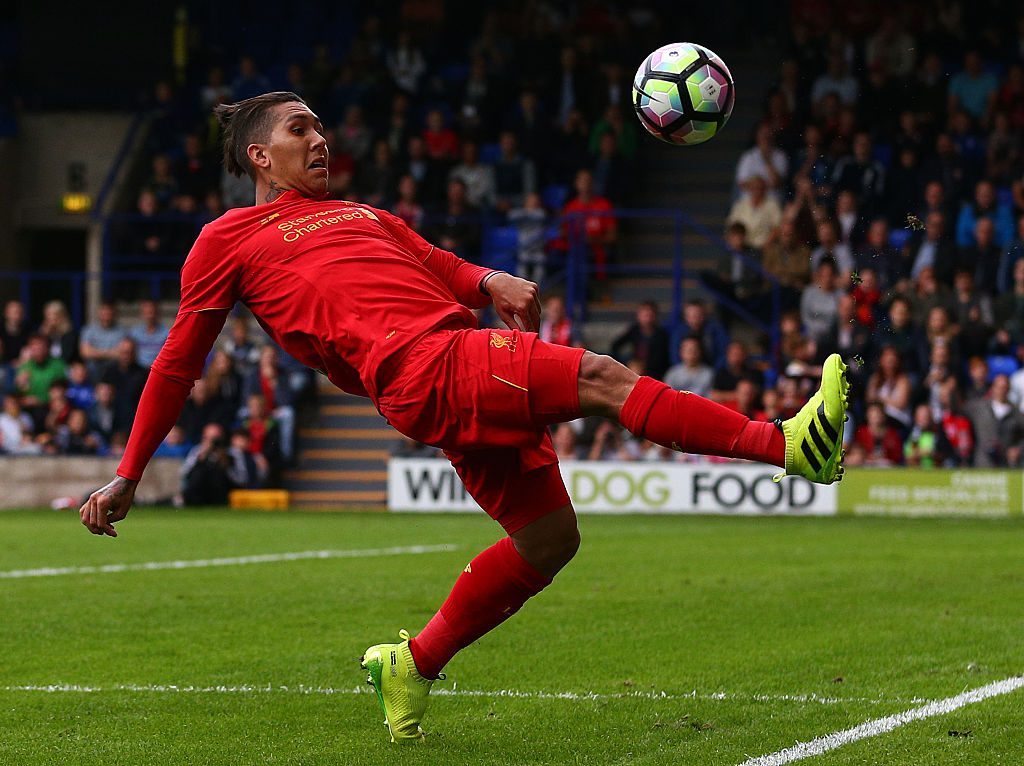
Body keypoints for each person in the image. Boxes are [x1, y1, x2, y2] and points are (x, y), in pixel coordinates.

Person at [78, 92, 850, 744]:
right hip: (423, 367)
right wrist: (129, 471)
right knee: (604, 377)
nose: (319, 139)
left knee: (551, 539)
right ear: (258, 157)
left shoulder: (359, 211)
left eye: (319, 127)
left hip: (451, 356)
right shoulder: (225, 240)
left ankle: (412, 664)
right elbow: (179, 360)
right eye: (299, 130)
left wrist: (487, 278)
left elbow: (434, 261)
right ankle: (785, 446)